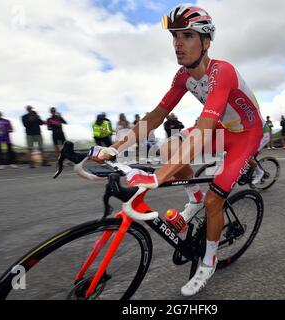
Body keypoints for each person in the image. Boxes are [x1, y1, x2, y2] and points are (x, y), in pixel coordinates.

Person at [88, 4, 263, 296]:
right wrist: (113, 149)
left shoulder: (224, 72)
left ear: (206, 42)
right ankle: (192, 198)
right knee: (170, 146)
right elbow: (156, 117)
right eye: (174, 37)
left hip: (245, 135)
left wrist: (158, 177)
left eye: (187, 35)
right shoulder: (183, 76)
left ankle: (208, 261)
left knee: (214, 200)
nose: (178, 43)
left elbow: (205, 127)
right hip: (221, 130)